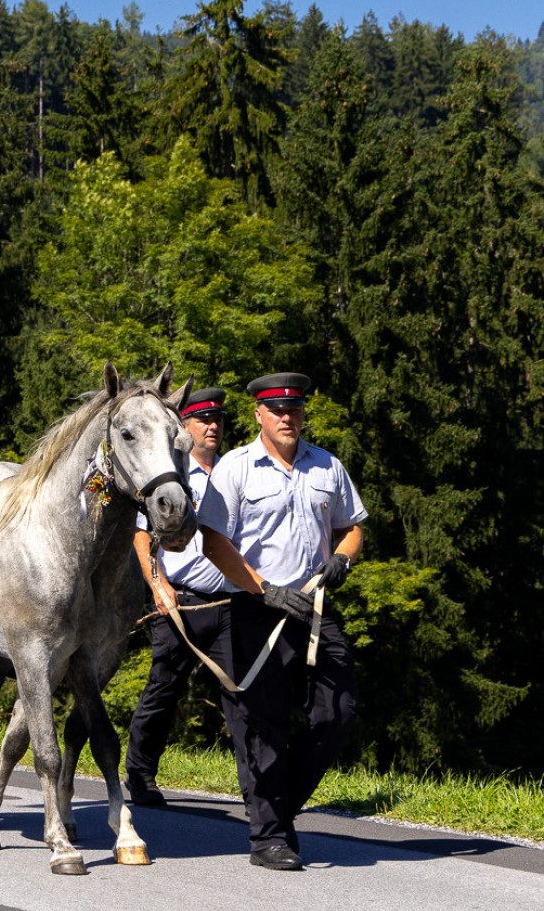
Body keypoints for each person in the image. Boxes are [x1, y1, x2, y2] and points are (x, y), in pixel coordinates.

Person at [193, 372, 365, 872]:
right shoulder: (236, 468)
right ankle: (268, 837)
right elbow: (213, 541)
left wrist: (344, 558)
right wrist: (263, 588)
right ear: (259, 415)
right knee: (262, 725)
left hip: (313, 608)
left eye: (294, 409)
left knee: (340, 709)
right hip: (256, 607)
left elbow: (353, 528)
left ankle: (279, 807)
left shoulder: (326, 465)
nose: (287, 417)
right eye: (277, 410)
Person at [120, 386, 238, 805]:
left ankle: (256, 786)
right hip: (180, 601)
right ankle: (140, 775)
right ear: (183, 427)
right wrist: (158, 585)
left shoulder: (232, 470)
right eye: (203, 420)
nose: (212, 426)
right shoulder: (167, 472)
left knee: (239, 693)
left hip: (227, 601)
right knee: (164, 690)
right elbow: (140, 534)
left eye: (217, 420)